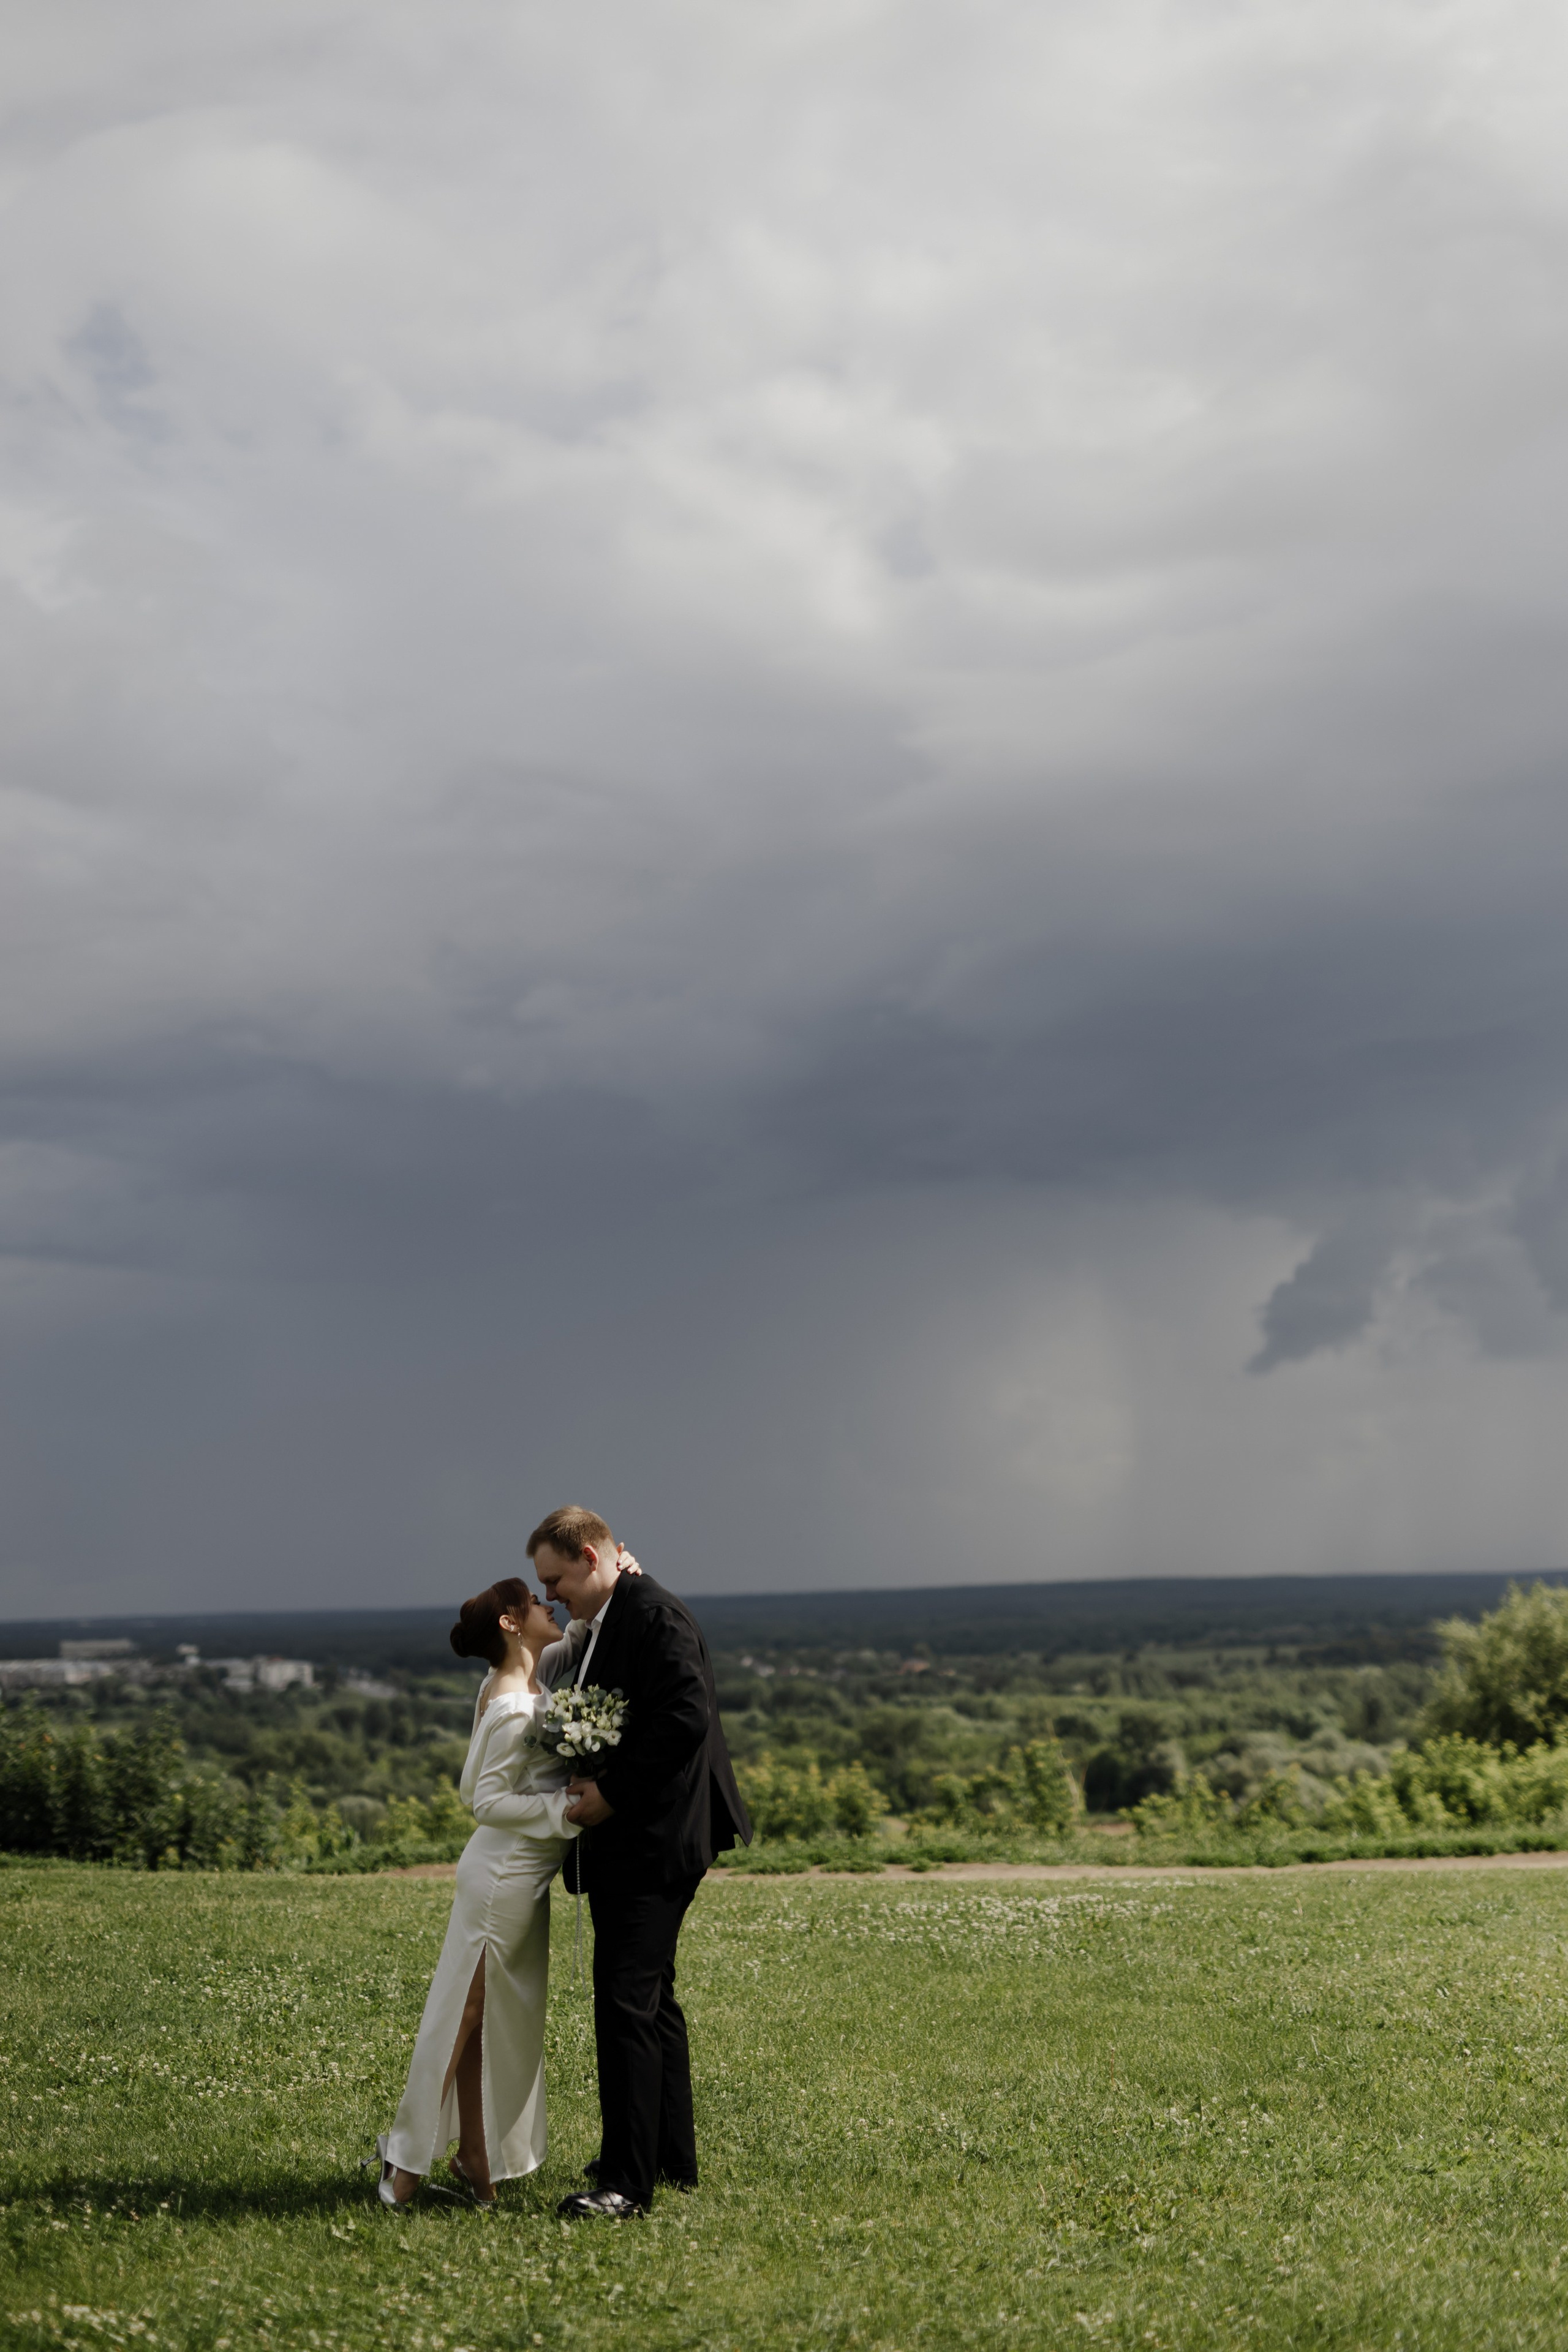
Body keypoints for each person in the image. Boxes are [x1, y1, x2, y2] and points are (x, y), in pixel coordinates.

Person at [527, 1505, 752, 2219]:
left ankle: (625, 2185)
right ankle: (667, 2156)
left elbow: (687, 1717)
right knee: (651, 2000)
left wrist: (611, 1795)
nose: (552, 1593)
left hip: (656, 1839)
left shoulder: (652, 1616)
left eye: (556, 1578)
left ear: (592, 1559)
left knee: (624, 2001)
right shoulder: (610, 1615)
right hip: (648, 1836)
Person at [369, 1577, 586, 2210]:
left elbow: (575, 1638)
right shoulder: (515, 1705)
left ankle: (475, 2160)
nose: (550, 1607)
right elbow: (483, 1800)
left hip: (519, 1874)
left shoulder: (522, 1674)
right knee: (463, 2017)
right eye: (535, 1604)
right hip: (502, 1877)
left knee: (486, 2021)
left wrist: (621, 1580)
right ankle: (406, 2163)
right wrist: (566, 1811)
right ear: (512, 1626)